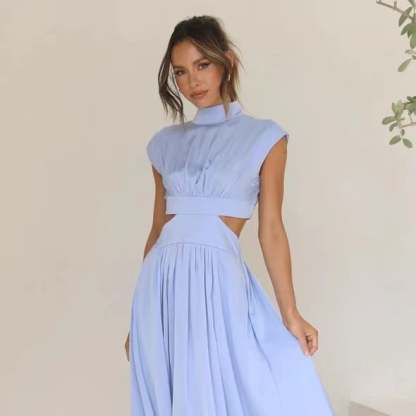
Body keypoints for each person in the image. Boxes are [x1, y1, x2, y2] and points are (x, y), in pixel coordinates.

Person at [126, 15, 335, 415]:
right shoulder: (165, 144)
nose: (192, 81)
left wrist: (291, 313)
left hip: (217, 281)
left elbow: (270, 229)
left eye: (202, 65)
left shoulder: (265, 137)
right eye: (180, 72)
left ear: (228, 62)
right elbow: (158, 229)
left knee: (240, 388)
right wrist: (139, 320)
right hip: (160, 287)